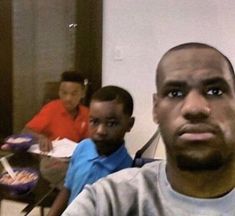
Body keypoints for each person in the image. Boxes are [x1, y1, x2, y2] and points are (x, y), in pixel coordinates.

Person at [62, 42, 235, 216]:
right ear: (156, 109)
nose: (194, 108)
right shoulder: (109, 201)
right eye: (175, 93)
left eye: (215, 91)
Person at [47, 85, 135, 216]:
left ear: (129, 125)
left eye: (111, 123)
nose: (100, 131)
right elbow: (68, 188)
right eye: (94, 121)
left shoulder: (126, 175)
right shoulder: (83, 147)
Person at [1, 71, 90, 186]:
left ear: (82, 93)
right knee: (54, 170)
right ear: (59, 92)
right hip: (52, 157)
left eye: (74, 94)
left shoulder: (87, 113)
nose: (68, 98)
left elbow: (89, 141)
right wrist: (41, 137)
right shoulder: (51, 108)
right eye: (64, 93)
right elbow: (26, 131)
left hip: (75, 157)